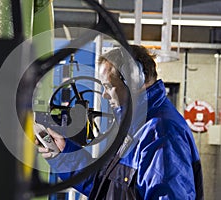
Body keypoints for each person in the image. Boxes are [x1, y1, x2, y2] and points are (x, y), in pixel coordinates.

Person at [35, 45, 203, 199]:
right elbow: (108, 187)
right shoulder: (136, 127)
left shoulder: (160, 133)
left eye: (108, 86)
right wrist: (63, 153)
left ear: (134, 81)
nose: (104, 95)